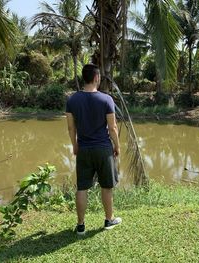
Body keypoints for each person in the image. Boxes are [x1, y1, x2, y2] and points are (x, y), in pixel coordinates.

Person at [65, 63, 121, 234]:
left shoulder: (72, 100)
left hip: (84, 148)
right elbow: (112, 128)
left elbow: (71, 128)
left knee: (82, 187)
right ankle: (108, 220)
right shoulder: (106, 99)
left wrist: (75, 146)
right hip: (103, 149)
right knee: (106, 186)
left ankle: (81, 225)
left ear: (84, 78)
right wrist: (117, 146)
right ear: (96, 78)